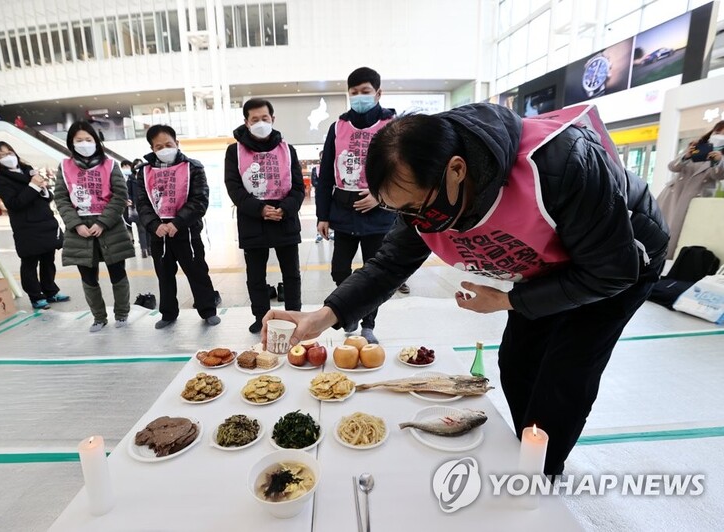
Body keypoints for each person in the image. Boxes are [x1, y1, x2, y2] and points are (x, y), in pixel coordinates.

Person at [263, 103, 669, 476]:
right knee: (517, 363)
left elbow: (611, 272)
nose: (413, 222)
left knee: (564, 376)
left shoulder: (562, 163)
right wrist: (323, 316)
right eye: (400, 211)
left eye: (416, 209)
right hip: (543, 269)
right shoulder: (423, 193)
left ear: (456, 169)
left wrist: (509, 300)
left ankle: (541, 474)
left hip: (619, 264)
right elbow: (389, 264)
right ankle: (529, 445)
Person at [315, 66, 403, 344]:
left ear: (378, 93)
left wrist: (380, 196)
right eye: (353, 92)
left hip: (379, 214)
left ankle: (368, 324)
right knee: (339, 269)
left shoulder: (392, 125)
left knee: (373, 273)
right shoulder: (337, 127)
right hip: (343, 211)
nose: (359, 97)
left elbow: (402, 171)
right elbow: (326, 174)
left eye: (365, 91)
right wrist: (322, 215)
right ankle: (350, 310)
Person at [224, 98, 304, 334]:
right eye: (255, 119)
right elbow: (233, 187)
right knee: (255, 276)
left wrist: (285, 209)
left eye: (265, 118)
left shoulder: (287, 150)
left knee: (291, 274)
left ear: (273, 119)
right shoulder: (234, 151)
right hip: (252, 221)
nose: (260, 123)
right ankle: (261, 317)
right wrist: (259, 209)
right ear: (246, 122)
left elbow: (298, 188)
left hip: (284, 219)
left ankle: (293, 316)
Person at [134, 124, 221, 329]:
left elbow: (200, 200)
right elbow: (142, 203)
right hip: (159, 234)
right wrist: (154, 224)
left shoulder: (193, 168)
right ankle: (168, 313)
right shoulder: (144, 172)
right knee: (164, 275)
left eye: (168, 144)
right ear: (152, 148)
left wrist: (178, 222)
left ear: (177, 143)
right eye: (159, 146)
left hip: (187, 232)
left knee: (197, 272)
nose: (164, 149)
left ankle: (208, 310)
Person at [54, 121, 135, 332]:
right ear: (71, 143)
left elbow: (120, 195)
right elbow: (61, 198)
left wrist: (102, 222)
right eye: (79, 140)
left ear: (96, 142)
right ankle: (99, 317)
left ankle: (122, 314)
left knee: (118, 274)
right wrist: (76, 225)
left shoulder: (110, 164)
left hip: (110, 227)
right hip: (79, 231)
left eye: (88, 139)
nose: (84, 144)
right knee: (88, 278)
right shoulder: (64, 167)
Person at [0, 142, 69, 310]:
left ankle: (51, 291)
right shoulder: (1, 180)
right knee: (30, 263)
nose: (8, 157)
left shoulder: (28, 170)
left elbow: (48, 197)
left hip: (45, 222)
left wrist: (43, 188)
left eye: (9, 152)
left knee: (48, 260)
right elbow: (15, 204)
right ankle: (36, 296)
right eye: (1, 155)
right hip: (26, 227)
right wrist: (33, 186)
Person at [658, 120, 724, 258]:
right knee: (659, 229)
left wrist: (718, 161)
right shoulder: (696, 146)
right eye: (717, 132)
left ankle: (668, 262)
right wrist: (686, 156)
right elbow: (673, 167)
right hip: (673, 196)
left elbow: (717, 175)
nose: (718, 136)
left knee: (680, 236)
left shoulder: (721, 157)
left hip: (696, 200)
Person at [122, 159, 151, 258]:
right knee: (141, 227)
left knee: (148, 227)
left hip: (147, 206)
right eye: (136, 165)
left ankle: (148, 247)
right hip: (135, 206)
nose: (138, 167)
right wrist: (129, 199)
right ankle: (144, 249)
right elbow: (129, 192)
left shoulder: (147, 176)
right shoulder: (130, 179)